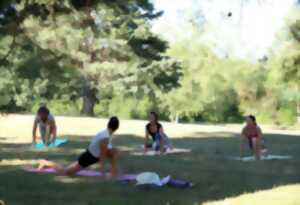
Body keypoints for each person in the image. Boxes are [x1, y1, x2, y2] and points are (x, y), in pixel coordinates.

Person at [37, 116, 120, 177]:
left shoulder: (107, 133)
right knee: (66, 172)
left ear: (108, 124)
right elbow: (103, 153)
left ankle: (114, 173)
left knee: (114, 152)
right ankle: (46, 163)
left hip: (93, 156)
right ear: (116, 128)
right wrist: (102, 171)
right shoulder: (105, 136)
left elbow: (107, 151)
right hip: (88, 157)